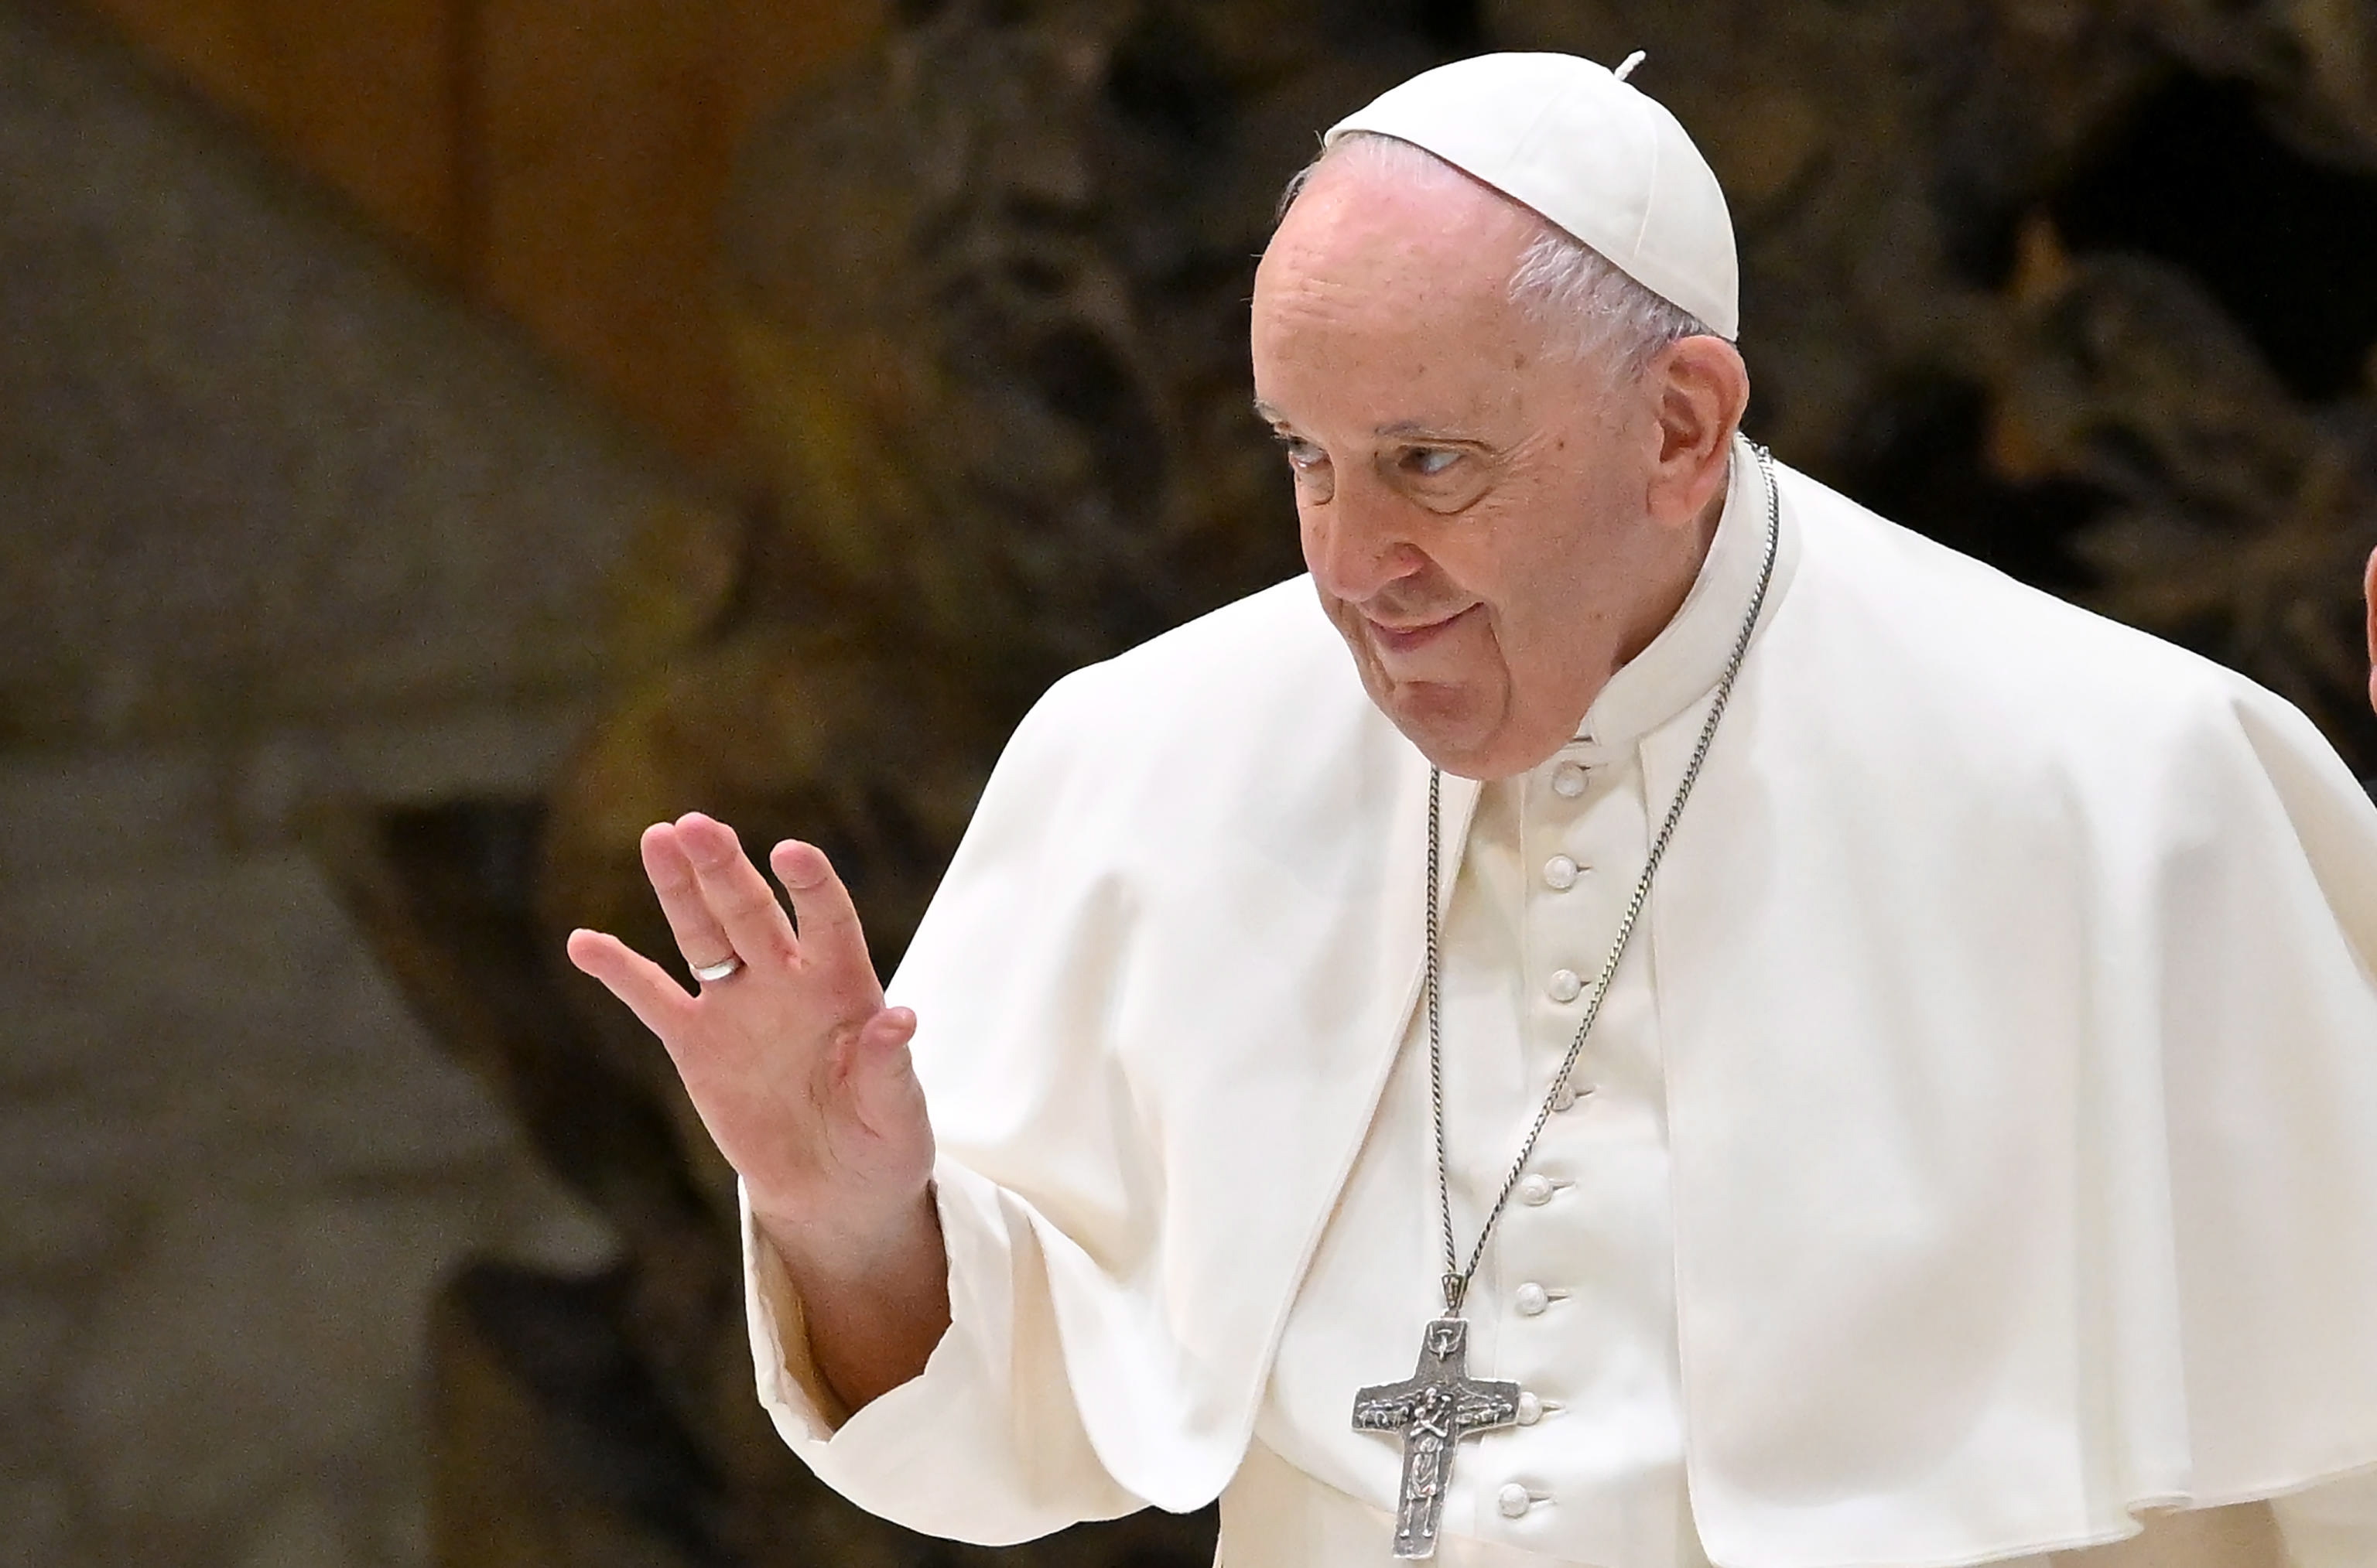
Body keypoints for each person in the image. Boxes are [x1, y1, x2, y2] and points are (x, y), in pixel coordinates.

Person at [568, 53, 2377, 1568]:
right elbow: (1007, 1431)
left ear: (1680, 427)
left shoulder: (2130, 791)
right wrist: (851, 1212)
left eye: (1431, 464)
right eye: (1307, 460)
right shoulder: (1152, 755)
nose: (1357, 567)